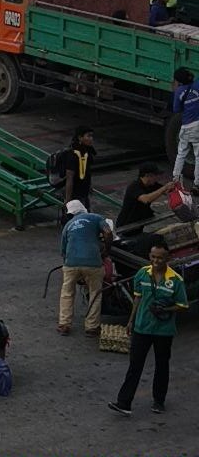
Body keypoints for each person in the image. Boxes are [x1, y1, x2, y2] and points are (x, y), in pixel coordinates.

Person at [109, 240, 189, 416]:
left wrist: (166, 309)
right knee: (134, 365)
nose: (157, 261)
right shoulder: (142, 274)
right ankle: (124, 403)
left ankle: (159, 401)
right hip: (142, 328)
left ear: (167, 258)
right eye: (153, 257)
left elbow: (182, 305)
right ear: (149, 257)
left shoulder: (175, 280)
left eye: (160, 258)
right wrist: (131, 321)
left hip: (163, 330)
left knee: (162, 365)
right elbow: (137, 298)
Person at [58, 199, 112, 336]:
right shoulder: (95, 217)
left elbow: (63, 250)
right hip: (93, 262)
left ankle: (64, 324)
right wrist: (106, 251)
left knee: (67, 293)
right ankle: (92, 327)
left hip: (71, 263)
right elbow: (108, 232)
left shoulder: (68, 225)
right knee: (95, 292)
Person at [117, 164, 174, 230]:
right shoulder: (134, 187)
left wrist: (174, 187)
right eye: (155, 175)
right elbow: (146, 199)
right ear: (148, 175)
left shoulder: (151, 185)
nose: (157, 178)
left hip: (139, 224)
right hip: (125, 227)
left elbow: (166, 191)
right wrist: (165, 187)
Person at [171, 67, 199, 189]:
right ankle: (197, 184)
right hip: (198, 124)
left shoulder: (180, 91)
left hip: (187, 125)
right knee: (198, 157)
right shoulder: (197, 85)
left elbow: (176, 110)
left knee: (181, 153)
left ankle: (175, 180)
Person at [64, 126, 96, 211]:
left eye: (92, 136)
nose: (91, 139)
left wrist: (90, 185)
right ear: (80, 137)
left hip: (84, 192)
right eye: (88, 136)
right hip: (76, 195)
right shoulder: (72, 154)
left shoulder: (87, 151)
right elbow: (69, 178)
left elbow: (88, 171)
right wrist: (68, 200)